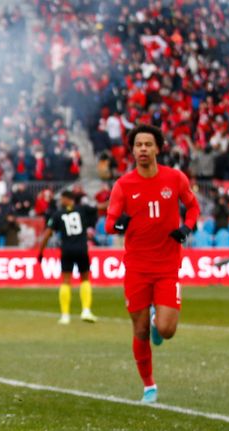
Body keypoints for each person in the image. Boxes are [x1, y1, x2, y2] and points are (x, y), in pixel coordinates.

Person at [105, 124, 200, 403]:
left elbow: (193, 207)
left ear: (158, 148)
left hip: (168, 266)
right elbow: (110, 222)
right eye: (138, 145)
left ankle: (161, 323)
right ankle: (149, 386)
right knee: (140, 329)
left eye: (148, 144)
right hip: (136, 267)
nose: (143, 149)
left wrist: (187, 227)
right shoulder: (123, 185)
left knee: (167, 330)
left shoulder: (175, 179)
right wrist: (119, 224)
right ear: (133, 150)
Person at [36, 190, 98, 324]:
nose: (60, 201)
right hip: (82, 249)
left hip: (67, 250)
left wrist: (40, 252)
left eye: (62, 199)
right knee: (85, 278)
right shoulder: (82, 210)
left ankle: (65, 315)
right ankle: (86, 310)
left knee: (65, 280)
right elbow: (99, 208)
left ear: (67, 199)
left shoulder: (58, 214)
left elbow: (47, 234)